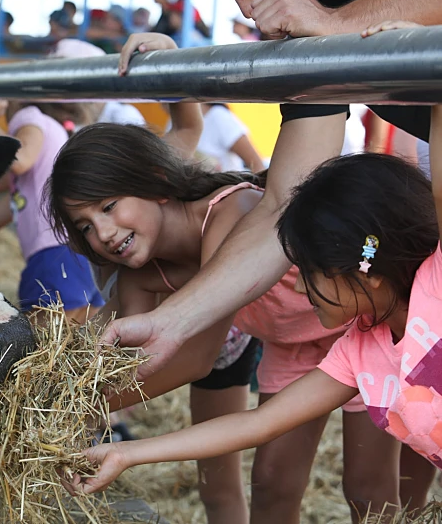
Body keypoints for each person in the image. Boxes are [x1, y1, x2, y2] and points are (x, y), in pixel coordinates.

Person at [66, 26, 442, 519]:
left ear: (362, 270)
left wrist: (423, 50)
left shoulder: (434, 284)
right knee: (274, 479)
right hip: (305, 344)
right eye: (86, 226)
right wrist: (128, 452)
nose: (299, 286)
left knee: (371, 487)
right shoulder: (361, 350)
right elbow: (258, 423)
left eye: (307, 272)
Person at [0, 99, 102, 323]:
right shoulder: (45, 159)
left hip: (51, 260)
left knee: (39, 348)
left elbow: (19, 160)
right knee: (85, 344)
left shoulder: (29, 115)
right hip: (77, 257)